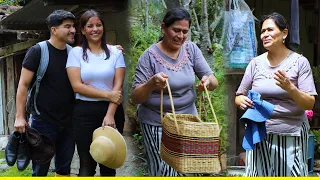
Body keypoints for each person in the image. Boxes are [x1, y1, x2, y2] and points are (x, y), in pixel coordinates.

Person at [131, 7, 218, 176]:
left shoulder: (191, 49)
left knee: (190, 169)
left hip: (188, 124)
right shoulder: (149, 57)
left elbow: (213, 81)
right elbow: (135, 98)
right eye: (175, 30)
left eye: (185, 31)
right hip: (157, 123)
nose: (180, 36)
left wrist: (207, 82)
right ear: (164, 28)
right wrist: (151, 83)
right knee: (165, 171)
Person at [235, 12, 317, 177]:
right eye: (263, 31)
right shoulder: (255, 63)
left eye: (270, 30)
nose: (265, 35)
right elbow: (239, 95)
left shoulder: (300, 62)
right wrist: (241, 100)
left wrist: (290, 88)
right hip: (258, 133)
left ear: (284, 33)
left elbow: (309, 104)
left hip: (290, 135)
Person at [14, 10, 76, 176]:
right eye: (67, 26)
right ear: (54, 29)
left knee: (64, 169)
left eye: (73, 26)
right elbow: (23, 85)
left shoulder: (73, 53)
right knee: (40, 170)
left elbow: (93, 54)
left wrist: (111, 49)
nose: (73, 30)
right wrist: (20, 117)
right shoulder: (37, 52)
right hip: (43, 121)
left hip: (68, 122)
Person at [66, 10, 126, 176]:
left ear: (103, 27)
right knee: (86, 165)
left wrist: (110, 115)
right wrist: (107, 95)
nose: (95, 29)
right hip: (83, 113)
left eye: (98, 25)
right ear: (83, 30)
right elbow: (77, 86)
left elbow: (118, 86)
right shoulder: (75, 53)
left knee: (109, 162)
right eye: (89, 26)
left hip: (111, 111)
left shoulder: (115, 53)